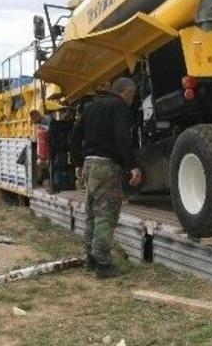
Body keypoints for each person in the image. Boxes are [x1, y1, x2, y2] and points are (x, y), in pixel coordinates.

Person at [70, 77, 143, 279]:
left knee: (92, 213)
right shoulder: (119, 107)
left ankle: (91, 259)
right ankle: (103, 263)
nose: (132, 101)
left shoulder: (92, 106)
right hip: (107, 166)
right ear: (127, 93)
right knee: (106, 214)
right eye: (132, 97)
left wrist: (77, 162)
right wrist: (133, 166)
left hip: (89, 164)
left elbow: (75, 135)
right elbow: (122, 137)